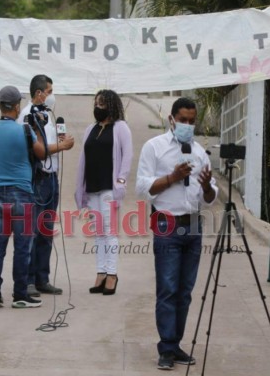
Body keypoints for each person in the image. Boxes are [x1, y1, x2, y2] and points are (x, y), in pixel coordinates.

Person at [135, 97, 218, 370]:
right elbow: (142, 187)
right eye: (183, 120)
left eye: (192, 121)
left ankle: (176, 344)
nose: (187, 125)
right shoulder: (154, 147)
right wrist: (172, 176)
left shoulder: (199, 152)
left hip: (193, 224)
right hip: (166, 224)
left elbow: (209, 196)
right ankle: (166, 348)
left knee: (185, 291)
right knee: (168, 289)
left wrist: (207, 188)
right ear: (171, 119)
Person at [0, 85, 46, 309]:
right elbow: (41, 152)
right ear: (17, 106)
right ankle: (20, 294)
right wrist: (38, 129)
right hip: (22, 194)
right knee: (22, 246)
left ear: (0, 105)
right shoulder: (24, 131)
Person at [17, 75, 74, 297]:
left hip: (51, 177)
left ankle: (42, 278)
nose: (52, 95)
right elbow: (37, 149)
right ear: (39, 93)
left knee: (46, 230)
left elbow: (50, 143)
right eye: (49, 91)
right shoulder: (26, 116)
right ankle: (29, 281)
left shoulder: (47, 115)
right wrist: (61, 146)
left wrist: (61, 141)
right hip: (37, 177)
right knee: (32, 230)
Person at [75, 89, 133, 296]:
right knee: (98, 232)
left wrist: (121, 181)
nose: (97, 108)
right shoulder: (91, 128)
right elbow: (84, 158)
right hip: (92, 188)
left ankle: (112, 274)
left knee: (109, 232)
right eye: (96, 104)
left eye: (101, 104)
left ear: (111, 106)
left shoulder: (121, 128)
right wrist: (80, 187)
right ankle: (100, 272)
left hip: (109, 187)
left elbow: (127, 156)